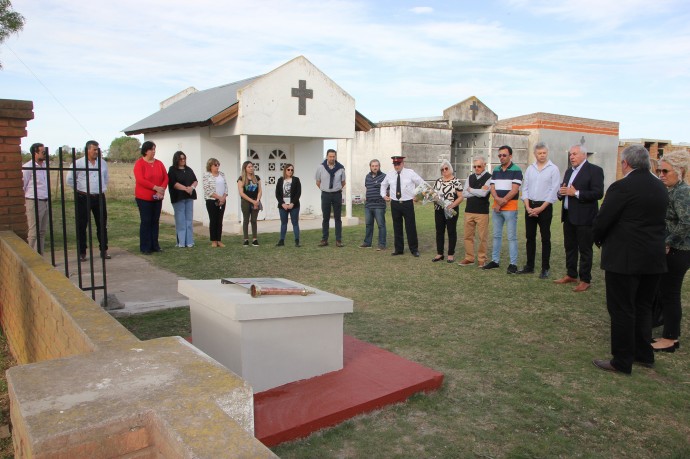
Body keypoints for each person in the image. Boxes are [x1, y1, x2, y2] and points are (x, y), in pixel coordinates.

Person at [592, 145, 668, 374]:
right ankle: (644, 354)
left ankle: (622, 360)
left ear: (626, 163)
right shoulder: (660, 186)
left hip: (625, 258)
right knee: (643, 307)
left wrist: (598, 237)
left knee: (622, 309)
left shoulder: (622, 187)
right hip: (652, 258)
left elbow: (603, 219)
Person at [652, 150, 690, 353]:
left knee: (671, 293)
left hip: (679, 250)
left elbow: (687, 222)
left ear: (680, 171)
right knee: (666, 292)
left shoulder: (683, 192)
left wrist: (668, 240)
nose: (661, 175)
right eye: (659, 170)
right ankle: (668, 333)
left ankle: (670, 339)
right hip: (671, 247)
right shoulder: (672, 190)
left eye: (665, 171)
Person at [554, 144, 604, 292]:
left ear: (584, 155)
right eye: (570, 154)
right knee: (569, 247)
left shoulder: (594, 170)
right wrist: (561, 193)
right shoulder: (569, 171)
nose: (572, 157)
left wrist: (576, 193)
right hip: (569, 216)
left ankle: (585, 279)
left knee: (585, 249)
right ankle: (571, 274)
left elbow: (598, 193)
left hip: (585, 218)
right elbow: (565, 191)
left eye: (575, 154)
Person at [517, 142, 560, 278]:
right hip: (530, 205)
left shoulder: (553, 169)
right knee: (530, 237)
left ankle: (545, 268)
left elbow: (554, 190)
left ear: (547, 153)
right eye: (539, 153)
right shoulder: (530, 169)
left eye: (544, 153)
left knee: (545, 238)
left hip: (544, 207)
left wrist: (540, 208)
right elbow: (525, 187)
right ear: (535, 154)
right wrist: (528, 206)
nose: (542, 155)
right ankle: (530, 266)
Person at [66, 140, 110, 261]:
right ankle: (82, 252)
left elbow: (106, 179)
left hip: (99, 197)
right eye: (94, 149)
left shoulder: (103, 163)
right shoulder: (79, 163)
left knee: (102, 224)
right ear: (88, 150)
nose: (96, 151)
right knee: (82, 225)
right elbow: (70, 180)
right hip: (83, 197)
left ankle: (104, 250)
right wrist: (81, 189)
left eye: (97, 149)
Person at [483, 146, 522, 274]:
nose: (501, 157)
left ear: (510, 156)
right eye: (499, 155)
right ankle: (495, 261)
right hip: (497, 208)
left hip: (510, 208)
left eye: (504, 155)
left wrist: (501, 202)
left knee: (511, 237)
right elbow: (492, 187)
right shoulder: (496, 170)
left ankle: (513, 264)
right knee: (496, 235)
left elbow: (514, 190)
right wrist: (497, 201)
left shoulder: (516, 170)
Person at [381, 155, 424, 257]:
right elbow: (383, 185)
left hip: (407, 203)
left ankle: (414, 249)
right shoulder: (390, 174)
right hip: (395, 203)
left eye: (398, 164)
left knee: (410, 227)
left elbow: (422, 183)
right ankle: (399, 249)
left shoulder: (410, 173)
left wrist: (418, 196)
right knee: (397, 226)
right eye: (395, 164)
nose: (396, 166)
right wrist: (383, 195)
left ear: (403, 163)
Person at [133, 141, 168, 255]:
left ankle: (155, 245)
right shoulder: (139, 164)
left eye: (154, 149)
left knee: (155, 221)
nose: (154, 151)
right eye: (151, 149)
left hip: (157, 197)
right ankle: (145, 246)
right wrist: (155, 187)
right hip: (144, 198)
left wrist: (161, 189)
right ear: (145, 151)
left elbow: (165, 177)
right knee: (146, 221)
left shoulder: (159, 163)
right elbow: (140, 180)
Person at [458, 157, 491, 267]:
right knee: (468, 236)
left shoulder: (489, 178)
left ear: (484, 165)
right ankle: (469, 258)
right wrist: (477, 191)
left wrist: (471, 190)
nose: (476, 168)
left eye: (479, 166)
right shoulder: (470, 177)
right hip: (469, 211)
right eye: (474, 166)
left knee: (482, 237)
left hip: (482, 212)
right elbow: (464, 194)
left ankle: (482, 259)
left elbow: (483, 193)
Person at [432, 159, 463, 263]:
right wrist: (433, 197)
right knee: (439, 231)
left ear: (450, 169)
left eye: (446, 168)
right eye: (442, 169)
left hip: (451, 210)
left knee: (451, 231)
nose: (444, 171)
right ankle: (439, 253)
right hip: (438, 210)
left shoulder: (456, 181)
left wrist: (452, 205)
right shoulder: (438, 181)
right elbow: (433, 194)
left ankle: (450, 254)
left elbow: (461, 197)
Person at [315, 149, 346, 247]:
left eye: (333, 156)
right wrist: (325, 190)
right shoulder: (321, 167)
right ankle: (324, 239)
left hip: (337, 195)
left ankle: (338, 240)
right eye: (330, 156)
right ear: (327, 156)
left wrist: (336, 190)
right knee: (325, 218)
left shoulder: (340, 168)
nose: (332, 158)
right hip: (326, 195)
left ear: (335, 157)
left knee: (338, 218)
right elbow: (318, 181)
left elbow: (343, 182)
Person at [168, 151, 198, 248]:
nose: (183, 160)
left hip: (189, 197)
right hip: (178, 197)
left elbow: (195, 180)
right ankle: (181, 242)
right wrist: (186, 189)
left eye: (184, 158)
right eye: (181, 159)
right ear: (177, 159)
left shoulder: (189, 169)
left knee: (189, 219)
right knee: (180, 220)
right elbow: (174, 183)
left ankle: (189, 241)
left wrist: (191, 188)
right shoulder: (172, 170)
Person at [22, 142, 49, 254]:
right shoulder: (28, 167)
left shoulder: (44, 166)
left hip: (45, 201)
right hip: (34, 201)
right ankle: (30, 258)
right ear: (35, 153)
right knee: (34, 232)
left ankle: (40, 255)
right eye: (43, 152)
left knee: (42, 231)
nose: (45, 154)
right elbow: (23, 185)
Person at [360, 159, 387, 250]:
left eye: (376, 166)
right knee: (368, 225)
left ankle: (382, 244)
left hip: (379, 205)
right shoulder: (367, 177)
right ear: (370, 167)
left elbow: (389, 188)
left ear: (379, 166)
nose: (375, 167)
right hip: (368, 205)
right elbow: (367, 188)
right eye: (373, 166)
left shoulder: (384, 177)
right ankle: (367, 243)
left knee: (381, 225)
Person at [202, 158, 228, 248]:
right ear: (210, 166)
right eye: (215, 165)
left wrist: (223, 198)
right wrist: (219, 197)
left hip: (222, 201)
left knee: (219, 220)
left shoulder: (222, 175)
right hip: (211, 200)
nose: (217, 167)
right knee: (213, 220)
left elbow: (226, 187)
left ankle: (219, 240)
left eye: (218, 165)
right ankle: (213, 240)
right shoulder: (206, 175)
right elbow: (207, 190)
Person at [275, 163, 301, 247]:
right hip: (283, 206)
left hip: (294, 206)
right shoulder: (280, 180)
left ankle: (297, 241)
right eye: (288, 169)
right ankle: (281, 241)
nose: (290, 171)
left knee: (295, 223)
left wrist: (292, 203)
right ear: (285, 170)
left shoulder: (296, 180)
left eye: (292, 170)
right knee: (283, 223)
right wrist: (282, 203)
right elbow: (277, 193)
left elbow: (298, 193)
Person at [238, 160, 262, 247]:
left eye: (252, 166)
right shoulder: (241, 179)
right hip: (246, 202)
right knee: (246, 220)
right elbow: (241, 193)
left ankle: (255, 239)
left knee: (254, 220)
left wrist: (257, 200)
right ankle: (246, 239)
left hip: (256, 201)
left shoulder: (257, 178)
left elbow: (260, 190)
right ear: (245, 168)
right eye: (249, 167)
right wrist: (252, 201)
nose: (251, 168)